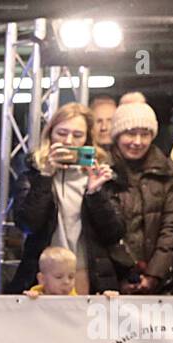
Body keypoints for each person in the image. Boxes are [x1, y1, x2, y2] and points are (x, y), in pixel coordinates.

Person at [8, 103, 124, 295]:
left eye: (77, 135)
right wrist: (45, 177)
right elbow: (28, 223)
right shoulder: (33, 174)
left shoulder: (102, 174)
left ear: (87, 139)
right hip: (43, 274)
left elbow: (114, 232)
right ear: (50, 135)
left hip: (86, 271)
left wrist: (95, 192)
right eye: (61, 133)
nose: (68, 140)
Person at [105, 101, 173, 294]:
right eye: (130, 133)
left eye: (145, 134)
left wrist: (153, 275)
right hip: (109, 282)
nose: (138, 141)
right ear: (117, 135)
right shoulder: (102, 173)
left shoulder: (166, 173)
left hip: (157, 283)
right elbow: (101, 232)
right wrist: (124, 275)